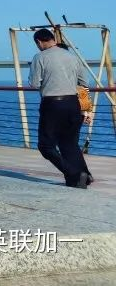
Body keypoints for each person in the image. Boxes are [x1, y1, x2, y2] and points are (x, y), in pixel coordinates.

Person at [28, 29, 93, 188]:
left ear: (39, 42)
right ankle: (85, 176)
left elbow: (34, 83)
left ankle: (75, 174)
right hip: (73, 103)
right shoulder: (72, 57)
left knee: (45, 146)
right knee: (69, 143)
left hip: (52, 104)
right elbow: (84, 82)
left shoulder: (39, 57)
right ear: (53, 39)